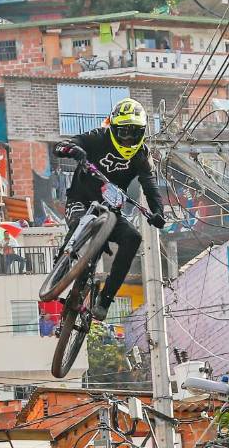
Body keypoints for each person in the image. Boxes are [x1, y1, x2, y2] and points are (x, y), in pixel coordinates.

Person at [51, 98, 165, 321]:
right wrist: (72, 150)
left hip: (110, 211)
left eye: (134, 133)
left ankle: (105, 300)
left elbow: (150, 187)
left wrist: (158, 211)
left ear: (142, 133)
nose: (128, 138)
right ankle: (60, 268)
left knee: (133, 238)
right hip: (81, 200)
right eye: (123, 132)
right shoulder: (96, 137)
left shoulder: (142, 155)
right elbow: (60, 146)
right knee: (78, 222)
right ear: (112, 127)